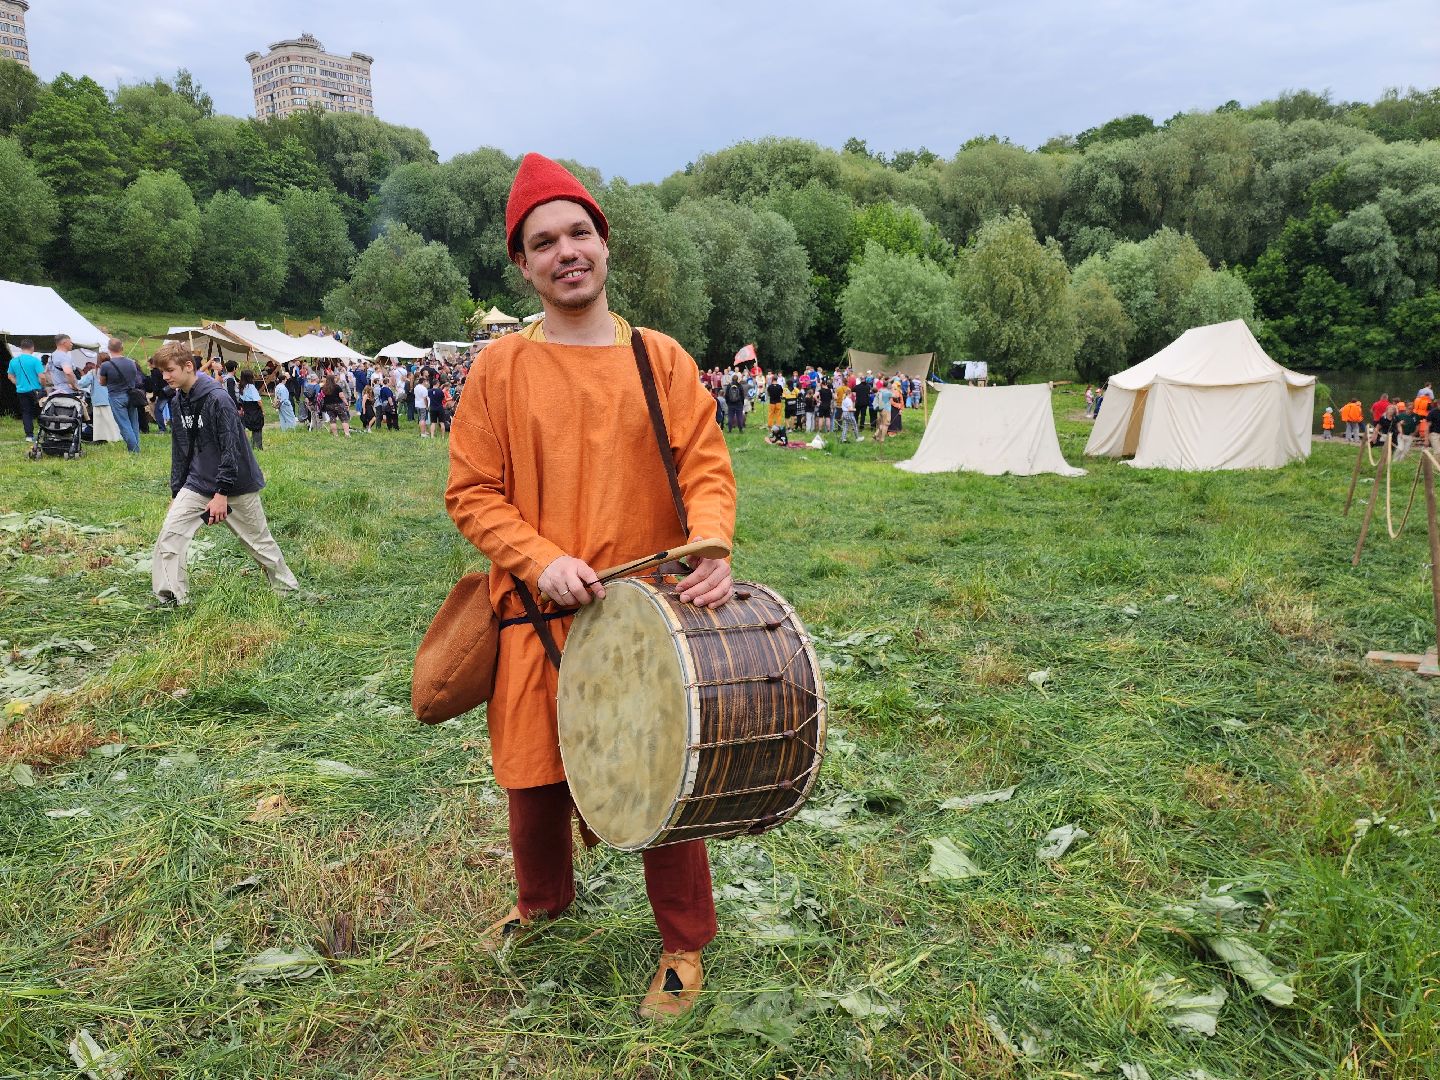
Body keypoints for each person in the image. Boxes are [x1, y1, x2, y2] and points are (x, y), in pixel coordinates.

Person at [445, 154, 736, 1022]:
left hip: (642, 617)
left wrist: (712, 546)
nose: (565, 252)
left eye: (579, 234)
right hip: (534, 610)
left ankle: (684, 943)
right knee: (531, 777)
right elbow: (471, 490)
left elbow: (705, 467)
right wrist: (538, 559)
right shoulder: (499, 368)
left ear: (605, 245)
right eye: (544, 243)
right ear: (523, 265)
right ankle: (541, 904)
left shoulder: (660, 359)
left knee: (660, 776)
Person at [149, 342, 299, 607]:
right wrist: (176, 492)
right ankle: (171, 597)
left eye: (169, 370)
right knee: (170, 535)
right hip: (197, 483)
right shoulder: (177, 401)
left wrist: (221, 494)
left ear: (188, 366)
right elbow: (181, 450)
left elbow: (232, 449)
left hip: (236, 484)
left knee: (259, 543)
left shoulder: (218, 399)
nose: (165, 377)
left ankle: (287, 591)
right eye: (162, 372)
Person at [98, 338, 146, 454]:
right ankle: (136, 448)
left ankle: (134, 451)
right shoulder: (132, 363)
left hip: (116, 396)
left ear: (109, 349)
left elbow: (102, 383)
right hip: (131, 396)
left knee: (124, 425)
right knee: (134, 423)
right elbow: (134, 378)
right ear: (122, 348)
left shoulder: (106, 365)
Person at [7, 338, 44, 443]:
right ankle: (46, 433)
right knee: (43, 411)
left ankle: (29, 436)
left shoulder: (14, 361)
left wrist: (18, 384)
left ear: (21, 348)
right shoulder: (35, 360)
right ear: (32, 347)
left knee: (26, 413)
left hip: (21, 391)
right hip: (36, 390)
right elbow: (42, 376)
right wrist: (43, 385)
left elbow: (10, 376)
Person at [79, 355, 122, 443]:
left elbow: (83, 383)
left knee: (99, 422)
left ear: (98, 362)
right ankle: (115, 437)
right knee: (111, 421)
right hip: (113, 399)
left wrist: (73, 382)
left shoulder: (94, 372)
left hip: (98, 399)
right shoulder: (115, 371)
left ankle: (101, 438)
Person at [239, 369, 266, 450]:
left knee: (253, 428)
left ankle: (253, 446)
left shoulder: (241, 387)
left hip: (247, 409)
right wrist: (263, 410)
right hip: (255, 409)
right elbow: (258, 401)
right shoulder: (251, 387)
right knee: (257, 428)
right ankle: (258, 447)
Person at [873, 378, 893, 443]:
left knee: (881, 423)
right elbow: (896, 396)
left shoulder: (879, 390)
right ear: (887, 385)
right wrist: (892, 389)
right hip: (886, 410)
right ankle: (882, 439)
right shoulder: (888, 392)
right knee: (886, 424)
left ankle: (876, 435)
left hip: (880, 409)